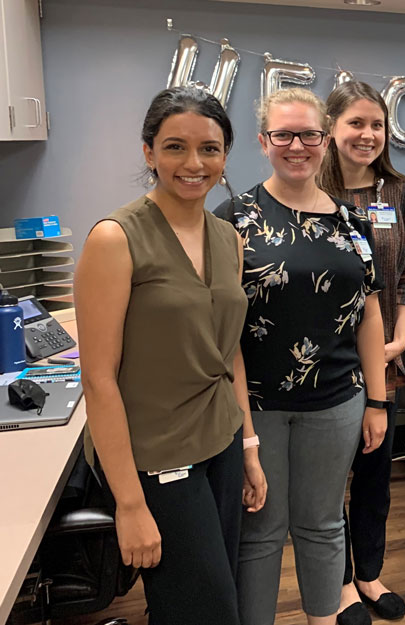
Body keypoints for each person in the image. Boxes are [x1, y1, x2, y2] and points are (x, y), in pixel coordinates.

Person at [75, 86, 267, 625]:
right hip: (158, 455)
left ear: (225, 155)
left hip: (222, 440)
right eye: (175, 146)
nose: (194, 163)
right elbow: (99, 380)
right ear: (148, 152)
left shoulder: (228, 238)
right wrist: (130, 504)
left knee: (210, 593)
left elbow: (228, 354)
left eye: (209, 148)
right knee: (205, 610)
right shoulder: (116, 239)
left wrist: (248, 446)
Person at [215, 87, 389, 625]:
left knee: (321, 524)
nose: (298, 146)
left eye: (309, 134)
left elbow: (371, 315)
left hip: (337, 403)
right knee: (261, 530)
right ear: (264, 141)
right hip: (258, 405)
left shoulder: (352, 225)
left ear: (325, 141)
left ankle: (324, 617)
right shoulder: (233, 220)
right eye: (284, 135)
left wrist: (378, 402)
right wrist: (243, 429)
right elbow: (222, 331)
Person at [316, 81, 405, 625]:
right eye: (356, 123)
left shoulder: (397, 191)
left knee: (374, 477)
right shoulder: (309, 191)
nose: (368, 135)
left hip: (384, 363)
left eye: (376, 125)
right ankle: (335, 585)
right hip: (328, 366)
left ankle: (369, 575)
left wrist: (400, 336)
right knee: (329, 482)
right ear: (331, 128)